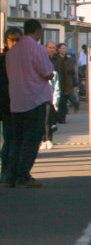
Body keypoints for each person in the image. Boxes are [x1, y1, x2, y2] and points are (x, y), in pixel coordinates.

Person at [4, 19, 54, 188]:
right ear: (38, 31)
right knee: (31, 140)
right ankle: (22, 175)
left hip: (16, 101)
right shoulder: (37, 49)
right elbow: (48, 73)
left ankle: (9, 176)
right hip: (35, 100)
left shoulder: (12, 52)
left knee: (16, 140)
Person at [0, 27, 22, 184]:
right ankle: (7, 171)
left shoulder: (22, 60)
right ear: (6, 41)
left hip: (18, 104)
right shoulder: (3, 59)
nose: (15, 43)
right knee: (10, 139)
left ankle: (10, 171)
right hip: (6, 104)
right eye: (12, 40)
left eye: (18, 40)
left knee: (14, 139)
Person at [55, 43, 76, 122]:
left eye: (65, 48)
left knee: (64, 100)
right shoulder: (56, 59)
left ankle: (62, 117)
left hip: (67, 82)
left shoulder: (69, 59)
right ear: (58, 49)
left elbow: (71, 70)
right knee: (59, 100)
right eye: (62, 48)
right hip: (58, 81)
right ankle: (58, 117)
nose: (64, 50)